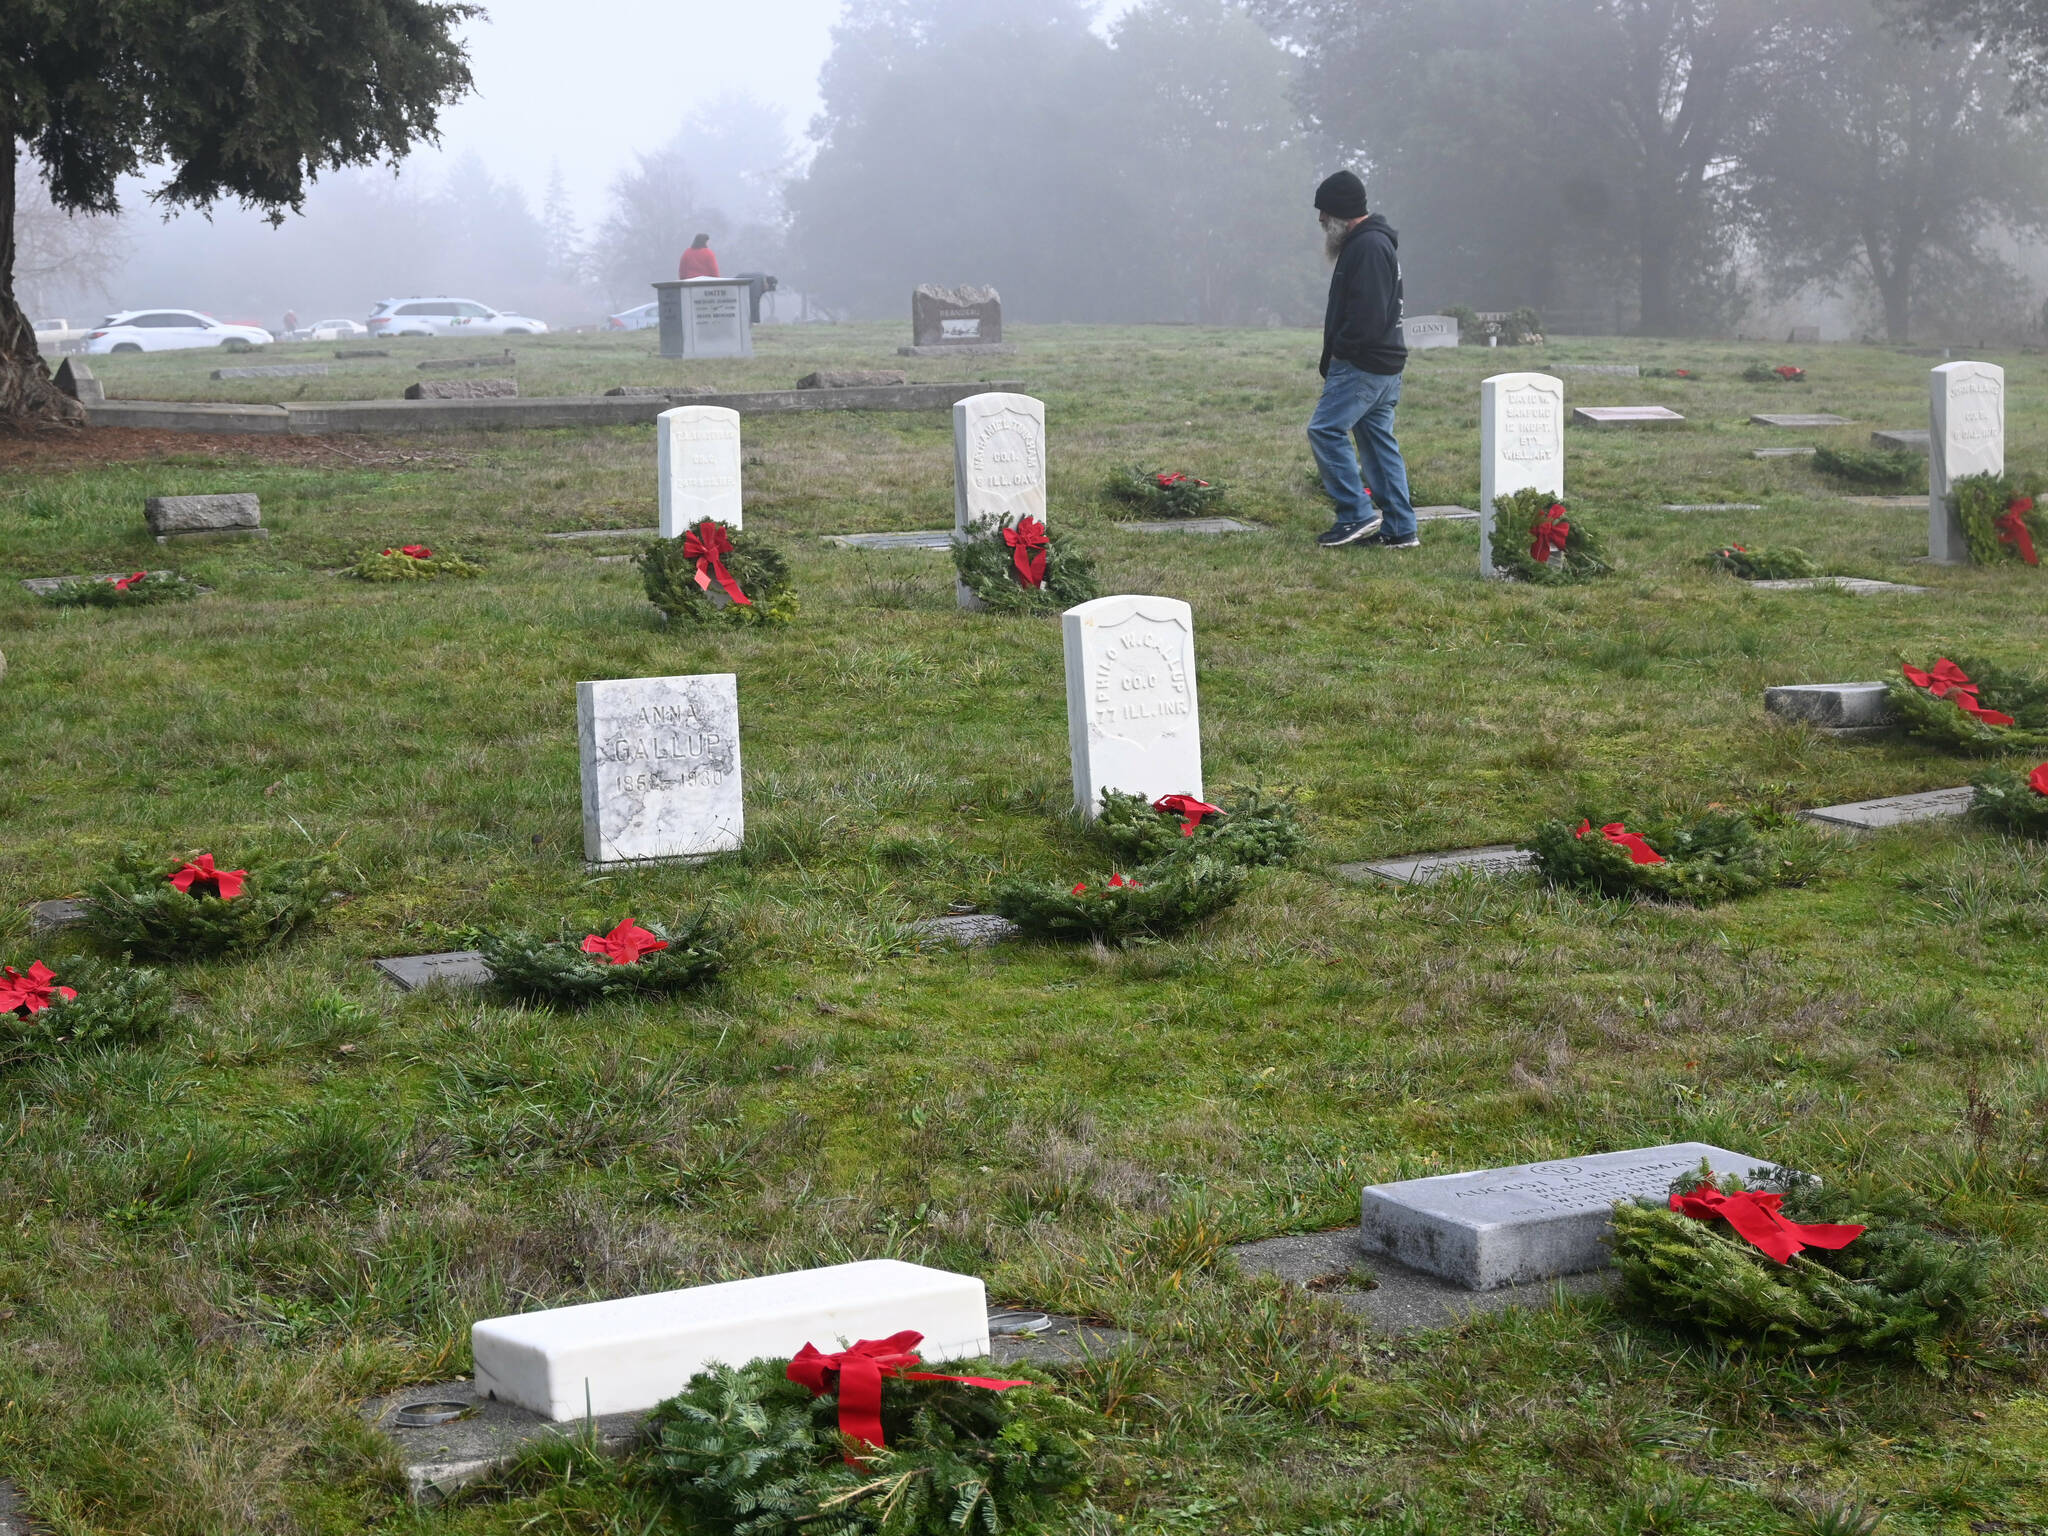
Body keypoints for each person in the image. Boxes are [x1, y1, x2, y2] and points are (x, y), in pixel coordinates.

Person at [1307, 171, 1416, 550]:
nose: (1320, 219)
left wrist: (1343, 349)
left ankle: (1356, 514)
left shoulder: (1367, 247)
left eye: (1323, 211)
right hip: (1385, 364)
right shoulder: (1372, 243)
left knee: (1324, 429)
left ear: (1340, 211)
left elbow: (1367, 315)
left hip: (1363, 365)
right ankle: (1401, 529)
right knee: (1376, 442)